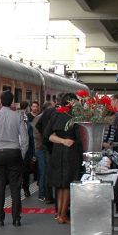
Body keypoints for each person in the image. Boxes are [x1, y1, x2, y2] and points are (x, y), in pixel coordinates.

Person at [0, 90, 29, 226]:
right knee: (15, 188)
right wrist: (21, 154)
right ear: (12, 102)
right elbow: (25, 139)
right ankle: (16, 218)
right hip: (14, 153)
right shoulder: (18, 117)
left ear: (0, 100)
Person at [45, 93, 82, 224]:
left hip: (57, 151)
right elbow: (80, 137)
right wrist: (67, 141)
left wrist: (61, 141)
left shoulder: (55, 114)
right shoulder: (75, 116)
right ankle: (63, 215)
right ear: (71, 103)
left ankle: (59, 214)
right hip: (70, 152)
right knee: (67, 185)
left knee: (59, 185)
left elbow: (48, 135)